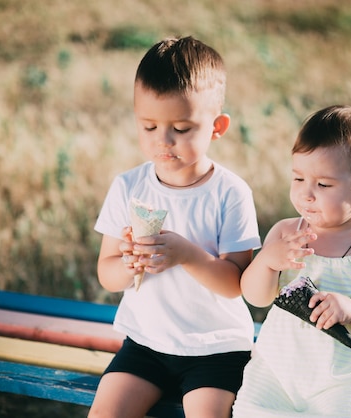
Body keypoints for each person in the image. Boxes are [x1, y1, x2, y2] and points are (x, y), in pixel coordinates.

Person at [89, 36, 261, 418]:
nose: (162, 141)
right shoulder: (128, 187)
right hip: (147, 342)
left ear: (217, 127)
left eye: (181, 129)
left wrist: (187, 255)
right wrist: (129, 263)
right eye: (148, 126)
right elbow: (107, 272)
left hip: (215, 349)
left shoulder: (230, 193)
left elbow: (236, 285)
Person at [232, 105, 351, 418]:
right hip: (279, 372)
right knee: (251, 410)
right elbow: (255, 296)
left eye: (323, 184)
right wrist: (266, 263)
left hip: (349, 377)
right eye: (298, 178)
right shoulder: (286, 233)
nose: (306, 194)